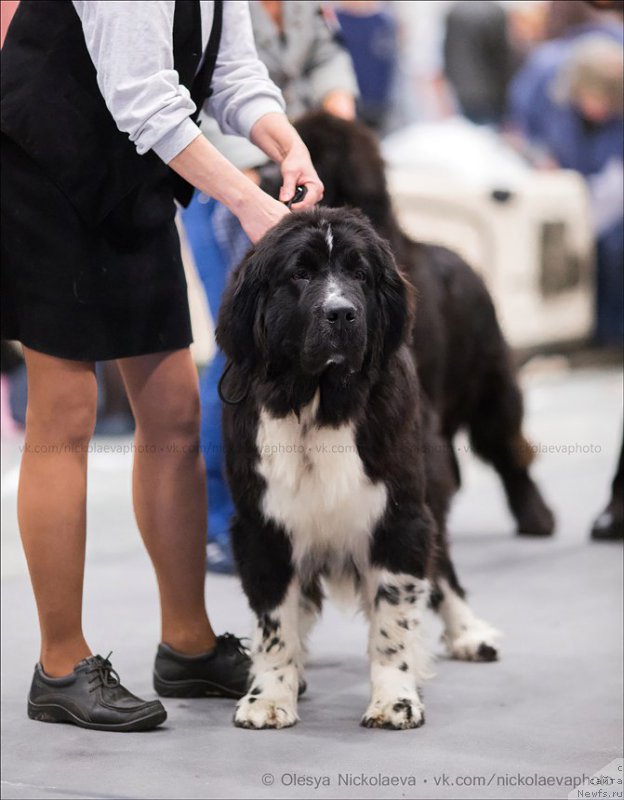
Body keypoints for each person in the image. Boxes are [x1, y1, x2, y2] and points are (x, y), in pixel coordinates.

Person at [0, 0, 323, 733]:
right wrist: (246, 199)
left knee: (174, 409)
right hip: (41, 169)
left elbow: (231, 69)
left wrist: (287, 142)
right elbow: (143, 93)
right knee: (65, 415)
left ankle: (187, 643)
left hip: (131, 175)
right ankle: (60, 664)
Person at [182, 0, 358, 574]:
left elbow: (328, 53)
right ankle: (217, 522)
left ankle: (305, 511)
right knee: (238, 351)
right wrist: (253, 177)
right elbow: (196, 93)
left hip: (293, 175)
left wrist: (335, 122)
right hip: (222, 181)